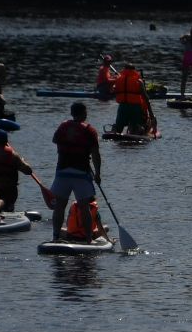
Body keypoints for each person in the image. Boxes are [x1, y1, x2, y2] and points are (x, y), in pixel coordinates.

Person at [50, 102, 104, 240]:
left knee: (60, 206)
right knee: (84, 207)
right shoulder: (89, 130)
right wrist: (97, 173)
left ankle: (56, 236)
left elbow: (56, 143)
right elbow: (96, 155)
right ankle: (87, 238)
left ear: (72, 113)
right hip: (81, 173)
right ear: (84, 113)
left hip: (62, 172)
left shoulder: (63, 127)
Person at [109, 60, 156, 135]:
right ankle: (136, 130)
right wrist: (151, 114)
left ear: (124, 70)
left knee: (118, 128)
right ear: (134, 71)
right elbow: (146, 98)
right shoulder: (139, 81)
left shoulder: (118, 79)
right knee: (136, 128)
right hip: (135, 108)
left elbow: (111, 91)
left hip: (122, 107)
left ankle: (115, 130)